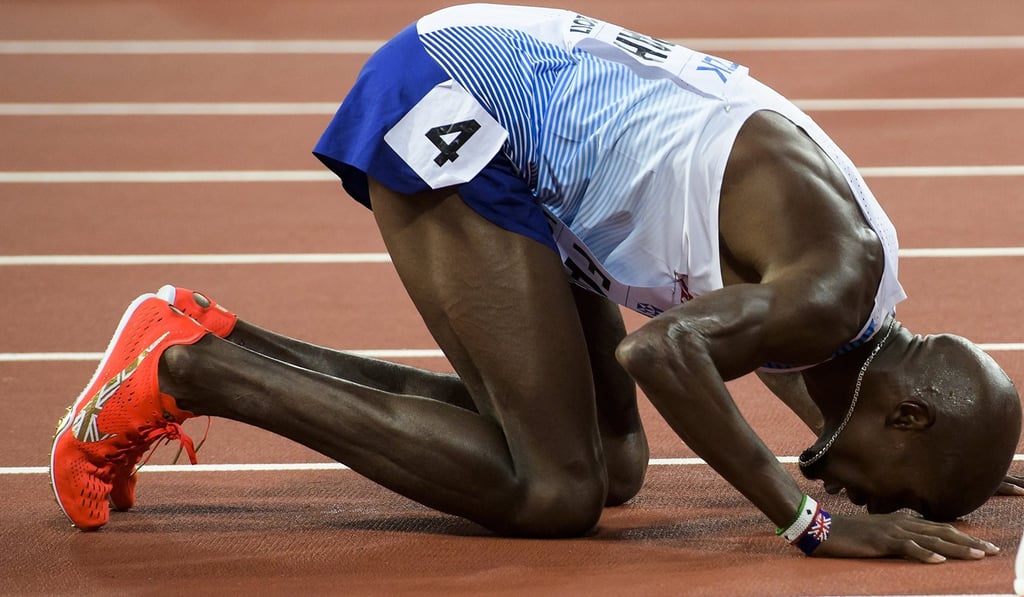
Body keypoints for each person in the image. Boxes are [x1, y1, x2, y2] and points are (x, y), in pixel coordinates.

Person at [50, 4, 1020, 562]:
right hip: (461, 102)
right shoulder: (835, 291)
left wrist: (967, 462)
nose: (877, 505)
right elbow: (663, 348)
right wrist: (803, 522)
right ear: (907, 418)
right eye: (899, 495)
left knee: (612, 461)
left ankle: (206, 335)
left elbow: (776, 348)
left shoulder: (856, 278)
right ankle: (186, 373)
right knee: (551, 489)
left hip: (534, 142)